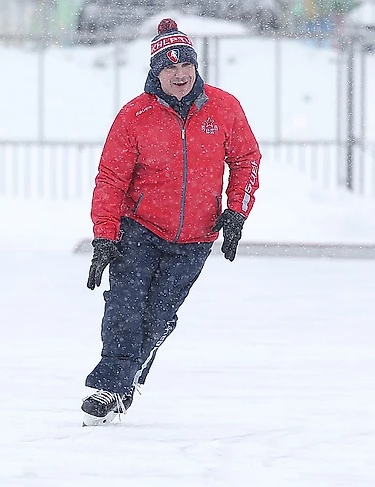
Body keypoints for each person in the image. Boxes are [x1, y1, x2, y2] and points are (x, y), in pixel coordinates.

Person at [81, 18, 261, 426]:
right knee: (125, 306)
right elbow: (110, 179)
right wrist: (104, 237)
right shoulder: (135, 115)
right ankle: (110, 386)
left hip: (196, 237)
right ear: (156, 73)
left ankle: (125, 381)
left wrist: (236, 212)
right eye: (170, 67)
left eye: (186, 65)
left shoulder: (224, 108)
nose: (180, 75)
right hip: (139, 229)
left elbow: (246, 159)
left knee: (159, 316)